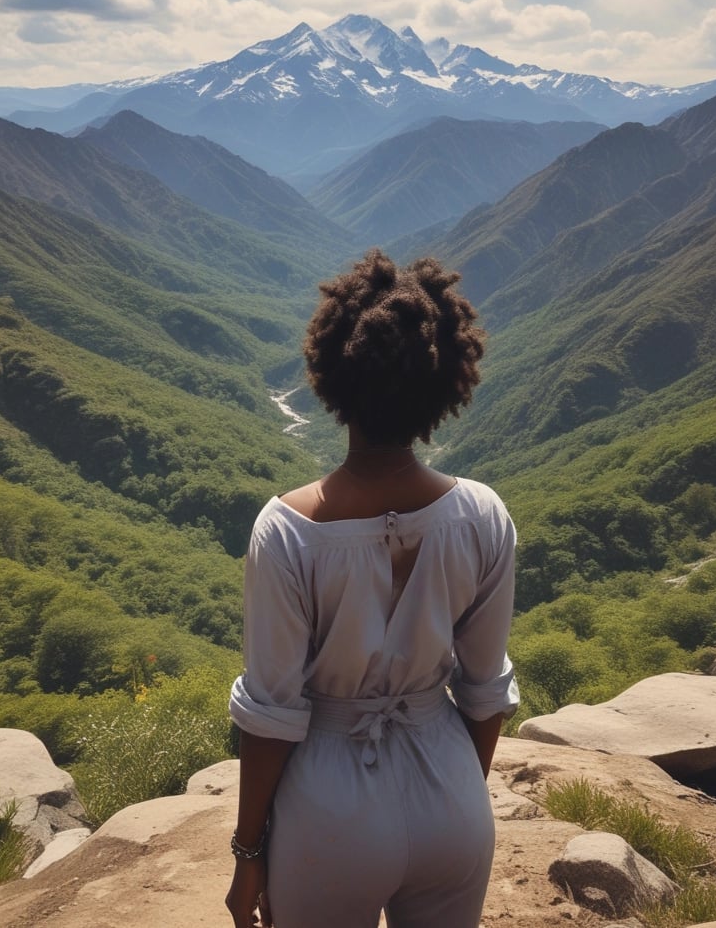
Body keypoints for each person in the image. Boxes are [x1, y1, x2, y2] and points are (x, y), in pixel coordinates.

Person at [226, 249, 519, 928]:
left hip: (329, 815)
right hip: (451, 792)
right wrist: (449, 798)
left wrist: (248, 852)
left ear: (332, 374)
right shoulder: (483, 516)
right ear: (447, 380)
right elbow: (484, 696)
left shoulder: (287, 531)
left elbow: (271, 719)